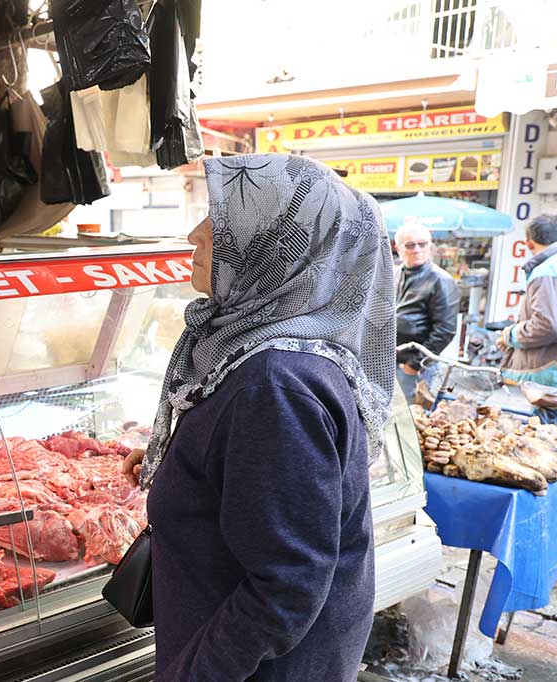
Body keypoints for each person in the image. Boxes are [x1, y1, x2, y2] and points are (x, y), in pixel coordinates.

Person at [121, 154, 392, 681]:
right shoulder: (275, 351)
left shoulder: (275, 384)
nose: (195, 234)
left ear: (276, 251)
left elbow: (287, 583)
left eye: (222, 224)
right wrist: (187, 463)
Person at [497, 214, 557, 418]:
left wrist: (511, 335)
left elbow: (550, 326)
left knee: (547, 445)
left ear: (528, 244)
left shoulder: (550, 270)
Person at [393, 223, 459, 399]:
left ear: (430, 246)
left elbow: (445, 331)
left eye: (422, 244)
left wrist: (414, 364)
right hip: (391, 362)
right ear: (398, 248)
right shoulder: (394, 274)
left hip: (417, 367)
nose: (417, 249)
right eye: (410, 245)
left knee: (412, 418)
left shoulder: (441, 280)